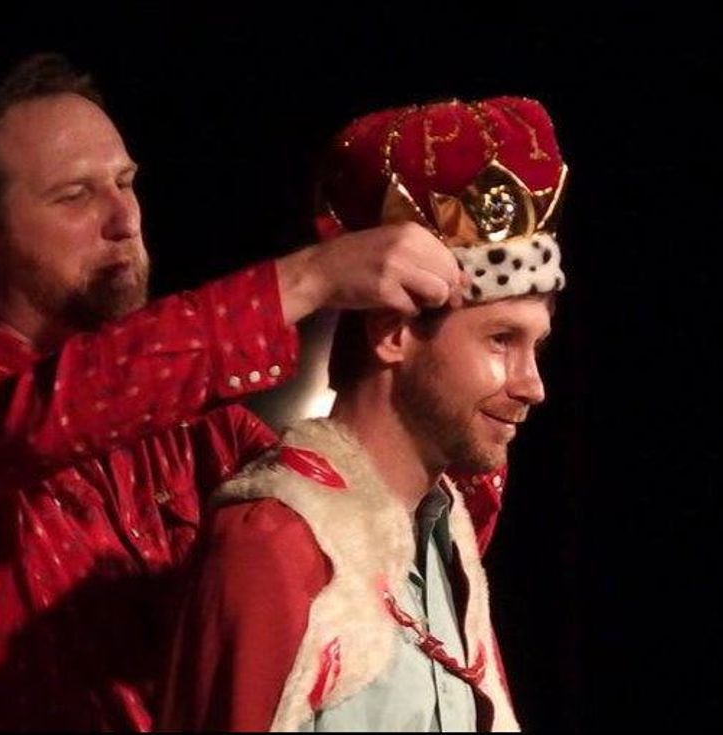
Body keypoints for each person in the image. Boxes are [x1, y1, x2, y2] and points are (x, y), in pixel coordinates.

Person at [0, 52, 501, 730]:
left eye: (126, 183)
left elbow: (373, 548)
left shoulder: (198, 430)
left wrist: (472, 363)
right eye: (75, 196)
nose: (124, 218)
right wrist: (308, 280)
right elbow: (36, 422)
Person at [157, 96, 568, 731]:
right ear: (393, 334)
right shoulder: (277, 542)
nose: (533, 384)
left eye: (534, 346)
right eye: (500, 341)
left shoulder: (446, 537)